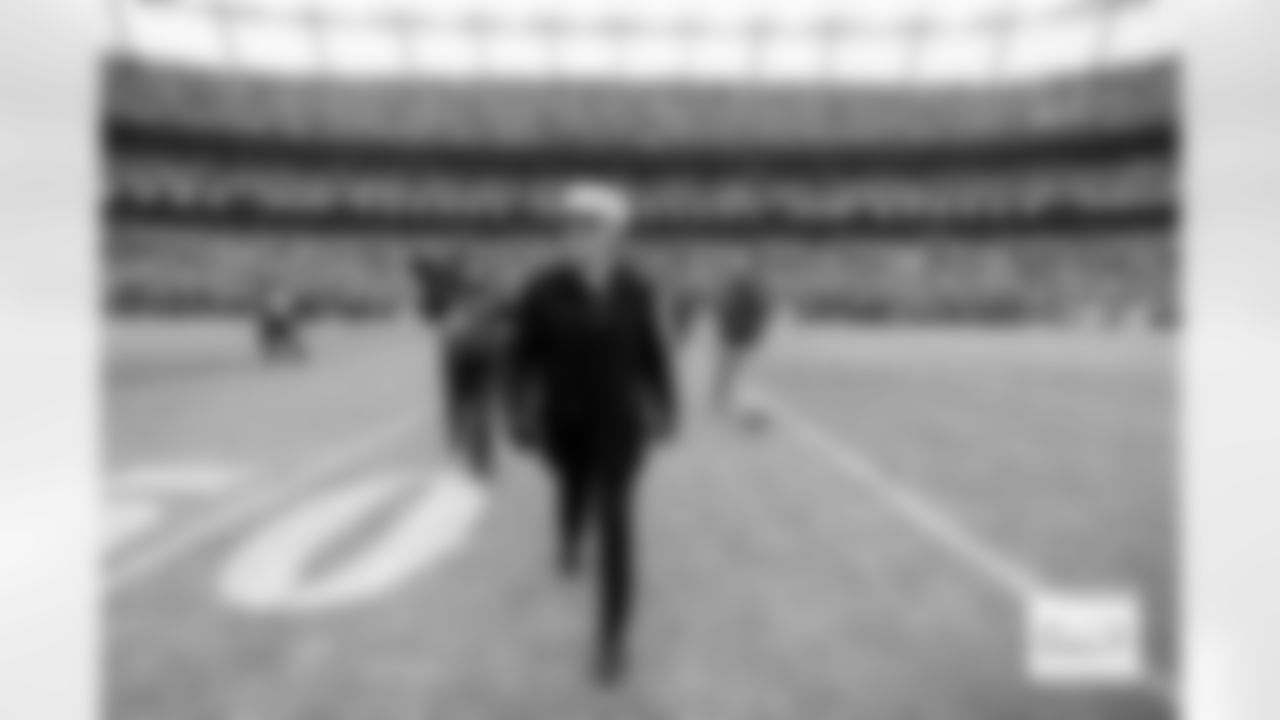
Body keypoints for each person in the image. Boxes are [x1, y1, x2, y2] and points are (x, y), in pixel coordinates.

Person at [507, 181, 676, 684]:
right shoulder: (541, 288)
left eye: (590, 226)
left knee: (617, 524)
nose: (577, 234)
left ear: (615, 234)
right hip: (564, 422)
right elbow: (521, 355)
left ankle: (612, 639)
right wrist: (516, 408)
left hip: (619, 427)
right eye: (573, 226)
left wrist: (666, 404)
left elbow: (651, 353)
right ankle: (567, 539)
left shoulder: (637, 288)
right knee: (571, 489)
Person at [712, 261, 769, 417]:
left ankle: (723, 398)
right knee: (731, 369)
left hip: (735, 336)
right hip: (737, 336)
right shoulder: (747, 297)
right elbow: (757, 316)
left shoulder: (739, 297)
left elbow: (725, 314)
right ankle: (724, 398)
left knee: (729, 369)